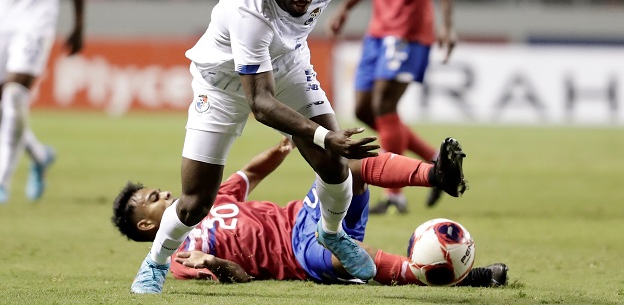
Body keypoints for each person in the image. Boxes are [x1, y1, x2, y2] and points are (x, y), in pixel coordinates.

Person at [129, 0, 412, 294]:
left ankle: (331, 233)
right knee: (196, 203)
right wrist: (325, 135)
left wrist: (325, 141)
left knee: (333, 165)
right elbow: (260, 104)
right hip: (221, 86)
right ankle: (156, 262)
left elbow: (299, 27)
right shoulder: (249, 11)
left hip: (289, 66)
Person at [113, 137, 501, 288]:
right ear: (146, 223)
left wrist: (281, 149)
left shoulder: (206, 200)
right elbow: (243, 278)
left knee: (347, 165)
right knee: (338, 259)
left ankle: (435, 174)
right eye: (153, 196)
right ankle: (455, 276)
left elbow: (250, 174)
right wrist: (213, 262)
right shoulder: (177, 257)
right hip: (298, 254)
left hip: (304, 216)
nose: (164, 191)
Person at [326, 0, 457, 213]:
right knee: (363, 108)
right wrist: (347, 6)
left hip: (408, 27)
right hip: (378, 28)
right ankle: (433, 158)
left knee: (384, 105)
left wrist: (447, 23)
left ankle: (394, 195)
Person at [0, 0, 86, 204]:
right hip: (2, 18)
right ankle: (39, 155)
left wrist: (79, 24)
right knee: (4, 107)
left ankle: (2, 182)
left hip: (36, 18)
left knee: (13, 95)